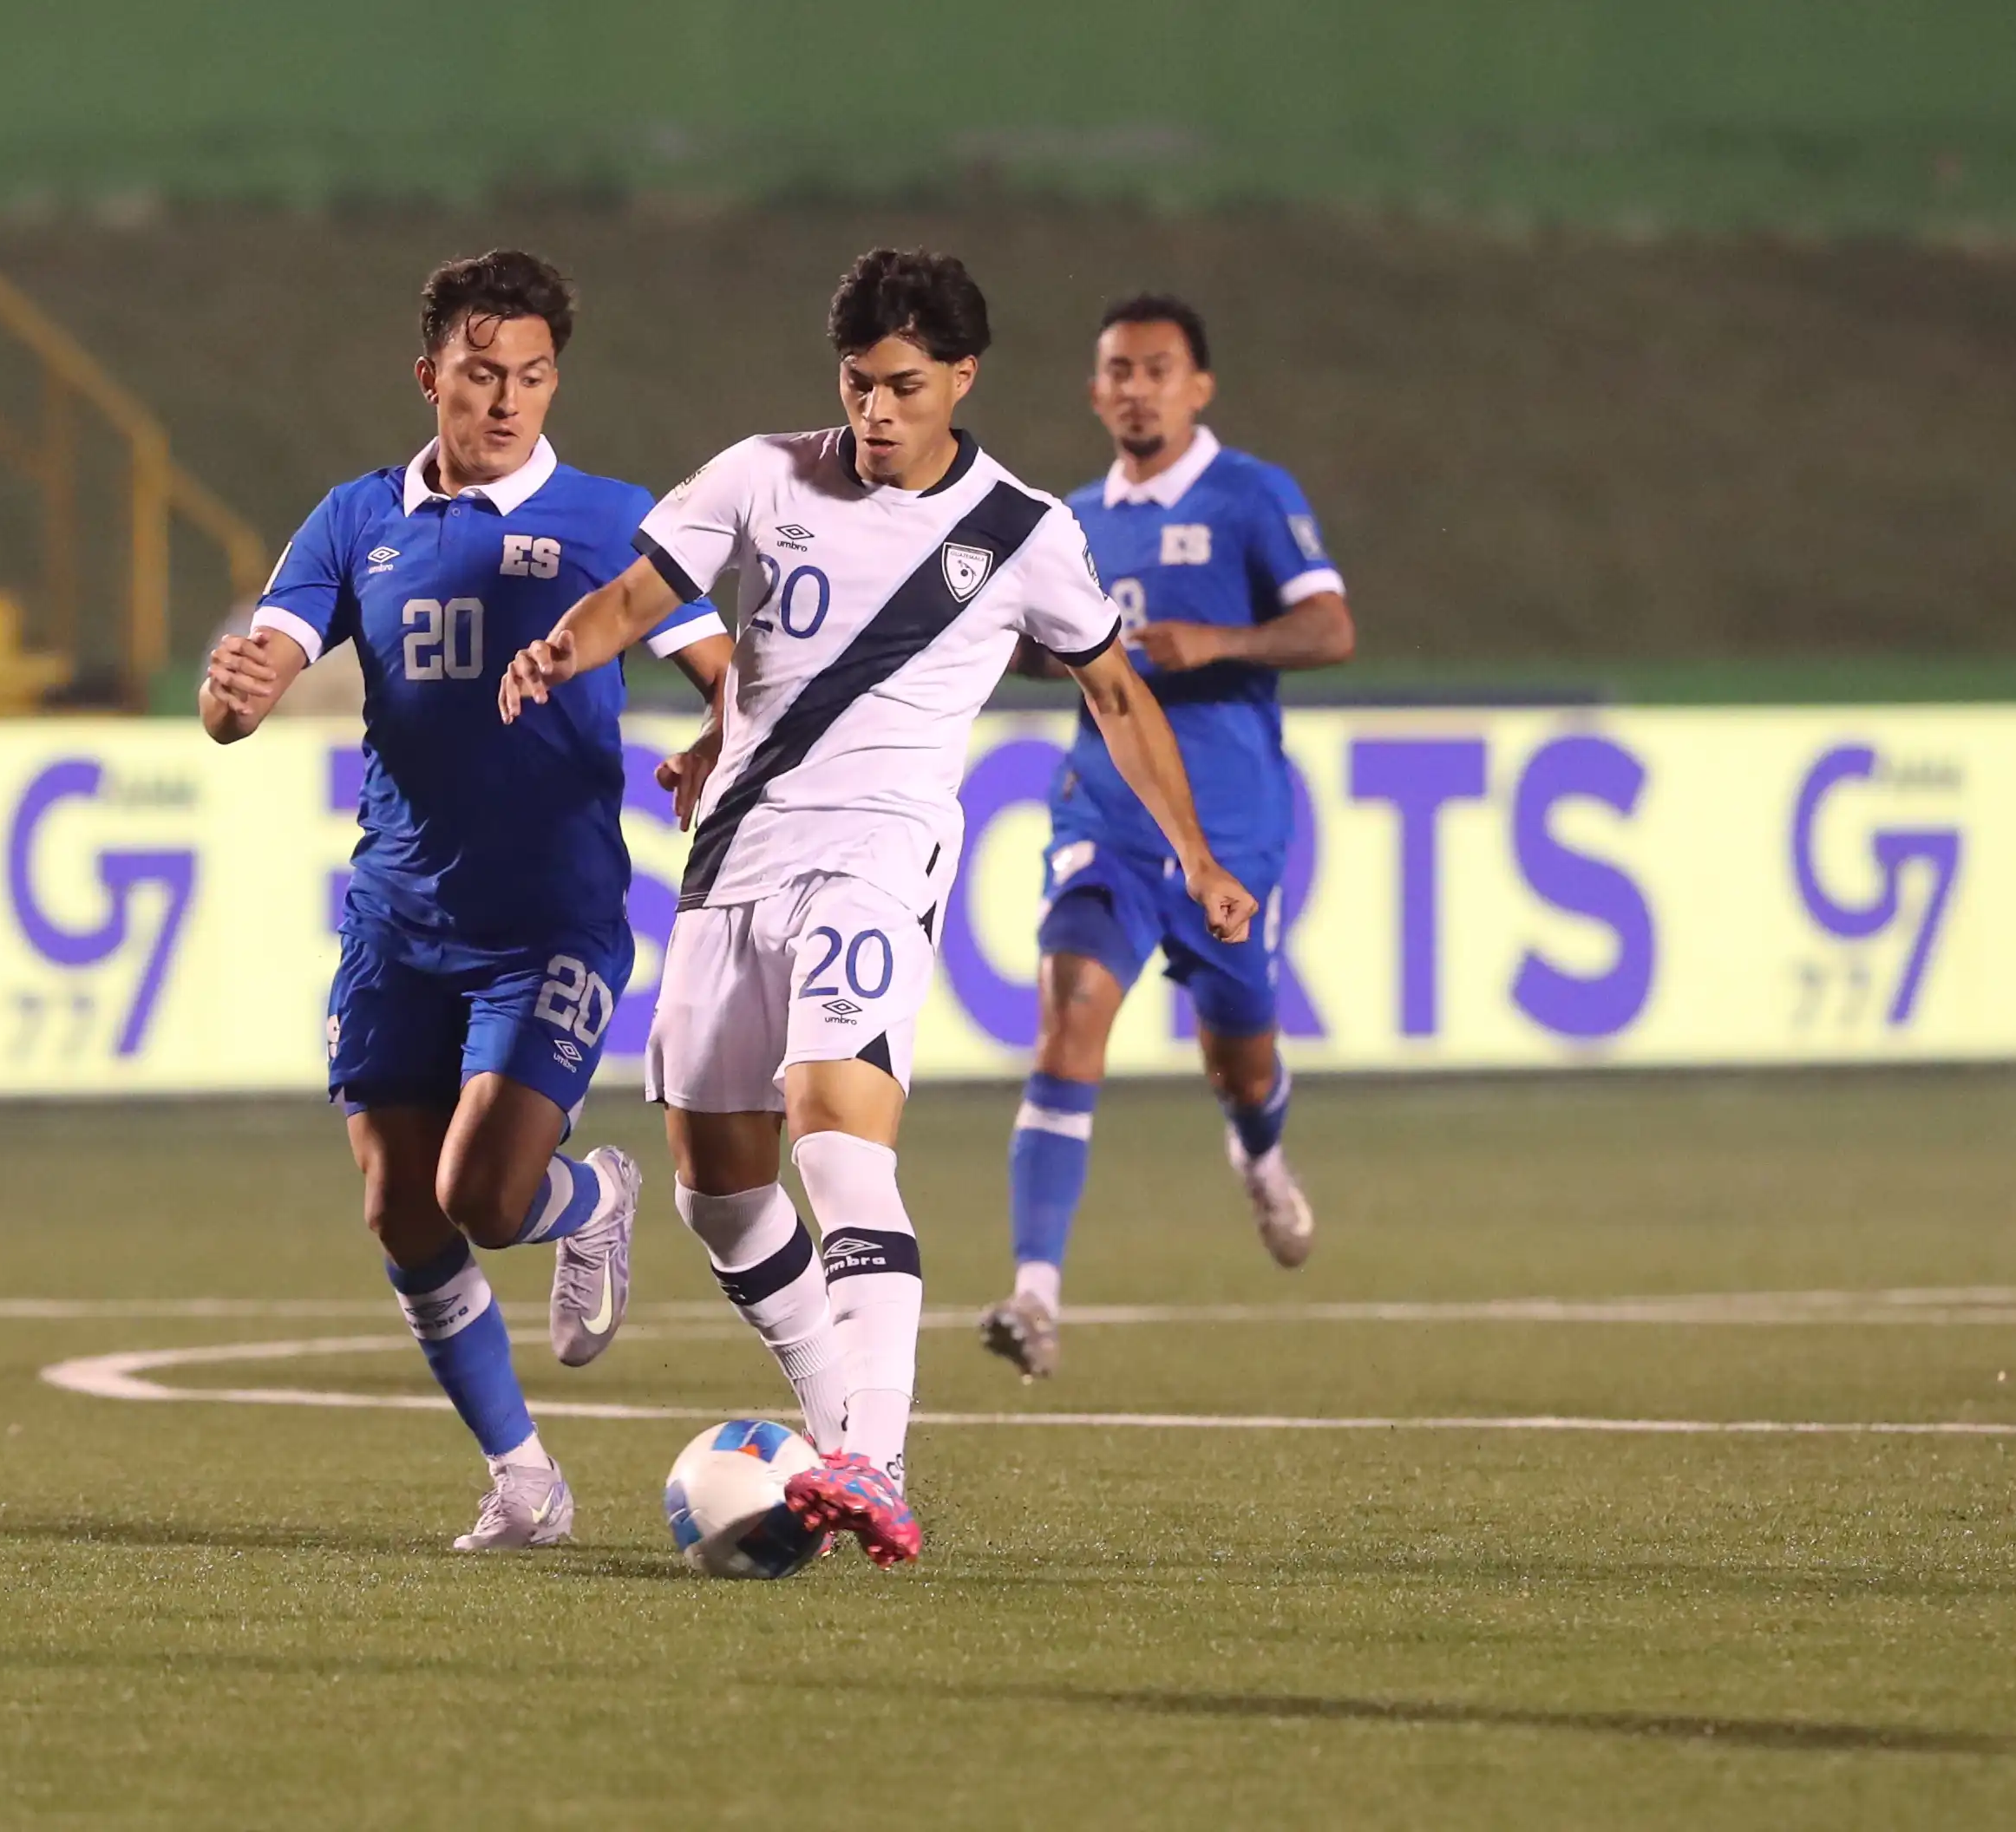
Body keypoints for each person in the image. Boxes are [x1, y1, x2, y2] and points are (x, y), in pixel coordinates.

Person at [498, 249, 1253, 1566]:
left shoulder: (1024, 532)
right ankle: (838, 1417)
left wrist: (1193, 854)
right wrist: (569, 646)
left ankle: (876, 1460)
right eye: (859, 385)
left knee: (837, 1138)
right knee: (717, 1196)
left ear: (962, 378)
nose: (877, 413)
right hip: (732, 861)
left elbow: (1116, 693)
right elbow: (645, 594)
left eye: (906, 387)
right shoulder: (760, 473)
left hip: (876, 860)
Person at [202, 250, 730, 1550]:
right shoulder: (352, 519)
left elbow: (733, 673)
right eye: (481, 374)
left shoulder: (612, 520)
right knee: (399, 1207)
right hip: (396, 914)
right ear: (428, 372)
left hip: (549, 915)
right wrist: (239, 692)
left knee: (491, 1200)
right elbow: (264, 654)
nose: (505, 402)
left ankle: (591, 1200)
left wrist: (724, 734)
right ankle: (525, 1483)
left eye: (533, 377)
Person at [979, 293, 1357, 1383]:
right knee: (1069, 1017)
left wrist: (1220, 642)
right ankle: (1034, 1296)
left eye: (1158, 368)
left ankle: (1260, 1150)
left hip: (1230, 838)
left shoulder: (1250, 496)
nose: (1136, 386)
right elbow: (1039, 652)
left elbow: (1331, 626)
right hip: (1105, 819)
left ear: (1199, 387)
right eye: (1118, 370)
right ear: (1095, 391)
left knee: (1241, 1055)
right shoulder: (1071, 521)